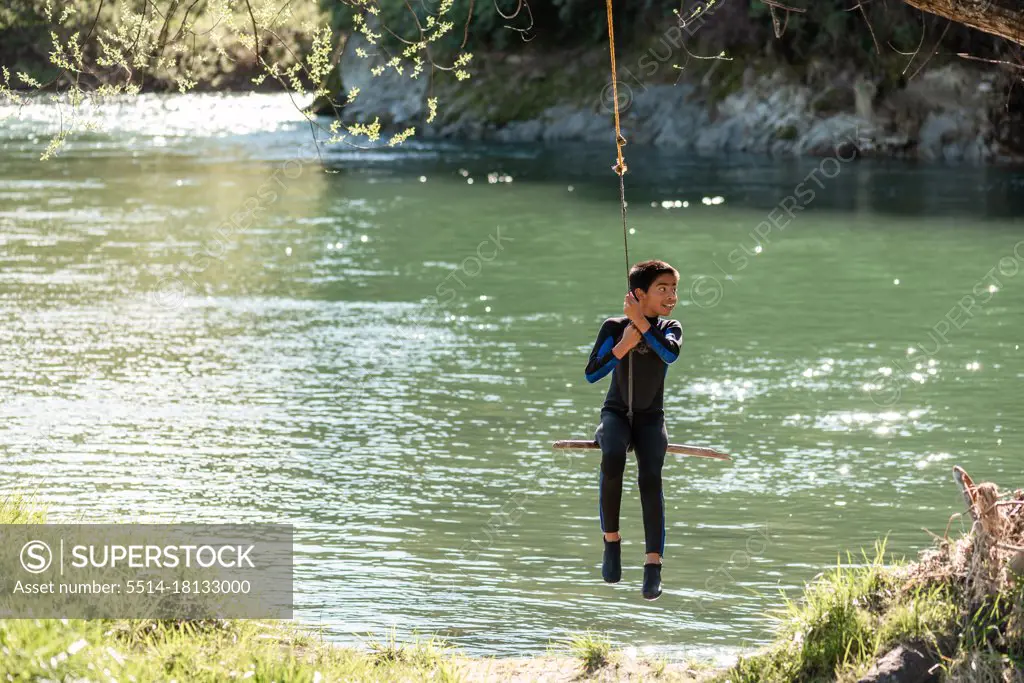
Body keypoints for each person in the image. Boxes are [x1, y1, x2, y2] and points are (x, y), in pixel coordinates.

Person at [583, 260, 682, 600]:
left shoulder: (671, 326)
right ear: (639, 293)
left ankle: (653, 564)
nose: (671, 296)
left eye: (673, 289)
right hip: (616, 414)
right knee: (612, 454)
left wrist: (642, 322)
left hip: (651, 417)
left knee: (650, 477)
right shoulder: (614, 326)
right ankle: (612, 541)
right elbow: (592, 373)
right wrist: (623, 344)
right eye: (662, 289)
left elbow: (669, 355)